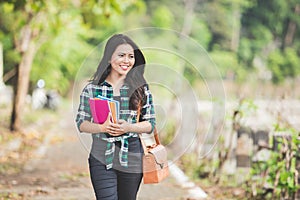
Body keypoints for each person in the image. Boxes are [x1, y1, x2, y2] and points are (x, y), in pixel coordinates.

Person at [75, 34, 156, 200]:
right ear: (109, 57)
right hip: (101, 156)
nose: (126, 61)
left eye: (131, 56)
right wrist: (101, 128)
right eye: (121, 55)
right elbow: (81, 123)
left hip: (132, 156)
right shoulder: (92, 89)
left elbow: (150, 123)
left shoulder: (140, 88)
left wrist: (129, 127)